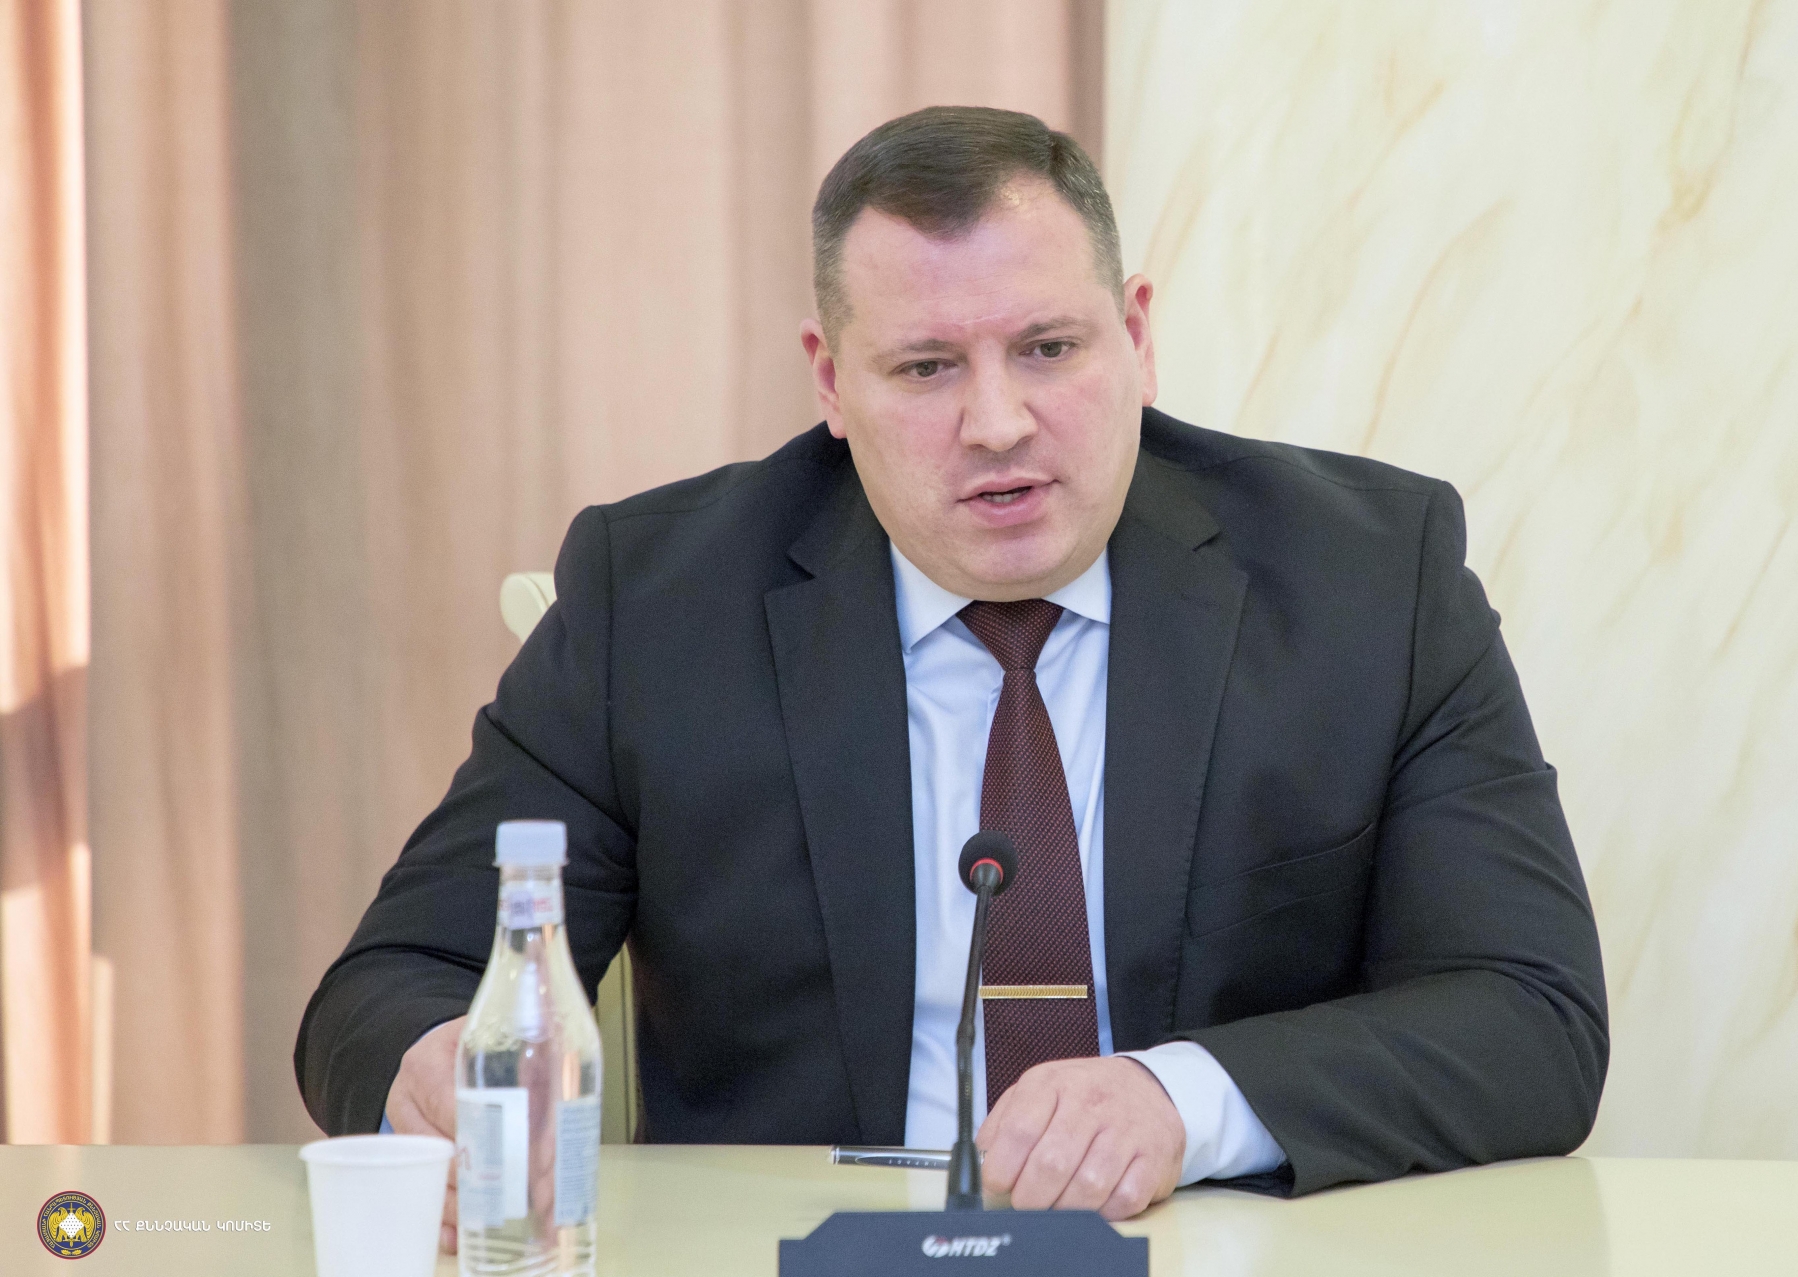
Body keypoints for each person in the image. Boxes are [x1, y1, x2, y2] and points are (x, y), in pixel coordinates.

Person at [296, 107, 1607, 1248]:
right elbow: (396, 979)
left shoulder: (1367, 582)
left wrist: (1185, 1099)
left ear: (1136, 336)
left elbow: (1529, 1014)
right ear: (831, 381)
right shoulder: (657, 605)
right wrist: (432, 1070)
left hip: (1211, 1245)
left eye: (1049, 349)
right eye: (927, 368)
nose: (997, 423)